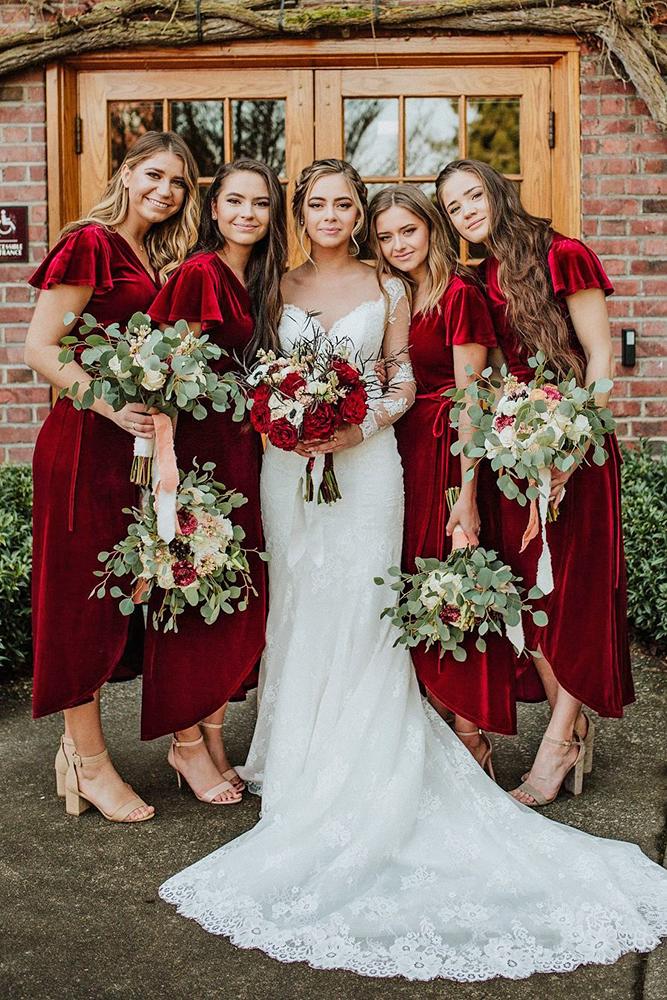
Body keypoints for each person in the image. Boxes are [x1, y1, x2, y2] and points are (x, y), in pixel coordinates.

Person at [158, 160, 667, 981]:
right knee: (296, 602)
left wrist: (356, 425)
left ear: (358, 214)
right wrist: (283, 417)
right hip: (286, 468)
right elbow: (249, 370)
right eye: (315, 204)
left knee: (364, 603)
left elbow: (399, 375)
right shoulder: (270, 285)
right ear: (301, 211)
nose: (330, 215)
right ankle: (290, 754)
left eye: (344, 205)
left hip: (368, 466)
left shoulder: (389, 285)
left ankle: (387, 748)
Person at [436, 159, 633, 807]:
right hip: (515, 450)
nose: (465, 210)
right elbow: (490, 374)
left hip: (578, 447)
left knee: (573, 594)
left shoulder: (564, 254)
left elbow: (599, 359)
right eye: (452, 206)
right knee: (529, 595)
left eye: (472, 195)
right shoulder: (477, 278)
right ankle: (569, 726)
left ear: (497, 192)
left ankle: (555, 748)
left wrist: (571, 451)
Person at [25, 131, 199, 823]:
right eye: (153, 175)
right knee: (79, 604)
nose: (164, 191)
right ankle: (87, 761)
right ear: (126, 174)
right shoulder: (91, 243)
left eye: (179, 184)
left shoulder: (152, 258)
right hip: (83, 445)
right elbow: (40, 347)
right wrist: (106, 404)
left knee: (124, 599)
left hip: (130, 454)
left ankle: (103, 751)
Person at [141, 159, 286, 805]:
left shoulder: (257, 277)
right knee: (192, 593)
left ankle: (214, 735)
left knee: (232, 602)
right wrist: (166, 471)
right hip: (196, 455)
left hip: (240, 457)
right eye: (234, 200)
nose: (247, 213)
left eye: (259, 203)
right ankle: (186, 742)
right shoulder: (200, 274)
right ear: (214, 207)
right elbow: (168, 373)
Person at [369, 184, 518, 769]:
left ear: (431, 227)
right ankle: (426, 727)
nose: (398, 244)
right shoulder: (392, 292)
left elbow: (471, 398)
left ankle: (470, 731)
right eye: (385, 236)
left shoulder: (460, 294)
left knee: (454, 579)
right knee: (409, 584)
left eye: (409, 230)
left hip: (446, 451)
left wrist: (469, 495)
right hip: (395, 451)